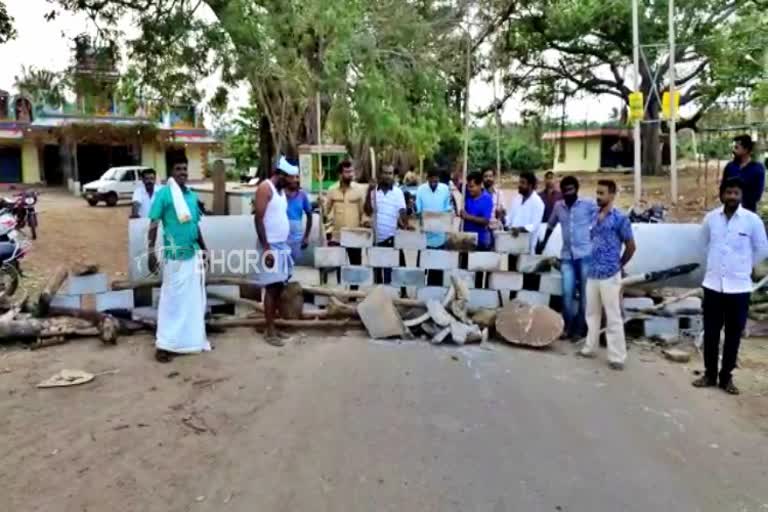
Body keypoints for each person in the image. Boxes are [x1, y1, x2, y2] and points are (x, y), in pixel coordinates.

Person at [693, 178, 768, 394]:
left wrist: (744, 266)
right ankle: (709, 374)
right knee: (711, 333)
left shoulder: (751, 220)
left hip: (739, 288)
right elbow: (702, 244)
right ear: (722, 194)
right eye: (729, 193)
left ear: (741, 195)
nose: (732, 197)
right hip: (713, 285)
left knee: (733, 335)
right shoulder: (711, 219)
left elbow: (762, 248)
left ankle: (726, 378)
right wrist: (714, 264)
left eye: (736, 193)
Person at [147, 155, 209, 363]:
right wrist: (150, 252)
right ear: (171, 172)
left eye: (185, 168)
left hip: (192, 255)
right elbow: (154, 224)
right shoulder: (164, 195)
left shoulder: (191, 196)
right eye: (178, 169)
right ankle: (164, 345)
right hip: (174, 257)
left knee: (191, 301)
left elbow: (195, 226)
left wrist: (204, 248)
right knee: (171, 301)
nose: (183, 172)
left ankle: (190, 341)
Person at [579, 179, 636, 370]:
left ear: (612, 195)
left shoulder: (620, 218)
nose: (598, 197)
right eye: (597, 193)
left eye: (602, 193)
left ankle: (617, 356)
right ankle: (590, 347)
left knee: (613, 315)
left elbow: (631, 246)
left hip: (610, 273)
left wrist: (619, 265)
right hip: (593, 272)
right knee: (592, 313)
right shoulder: (594, 216)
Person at [538, 176, 597, 340]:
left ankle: (579, 329)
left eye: (570, 190)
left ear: (576, 189)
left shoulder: (588, 205)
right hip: (567, 257)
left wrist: (594, 240)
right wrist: (543, 243)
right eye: (565, 191)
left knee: (585, 295)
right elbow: (550, 225)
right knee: (567, 293)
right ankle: (566, 327)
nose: (568, 193)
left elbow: (600, 220)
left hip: (585, 255)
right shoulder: (558, 206)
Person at [252, 156, 298, 347]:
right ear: (282, 174)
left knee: (278, 287)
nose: (295, 181)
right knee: (271, 288)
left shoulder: (280, 192)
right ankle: (269, 331)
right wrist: (267, 248)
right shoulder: (265, 188)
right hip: (270, 246)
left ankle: (273, 327)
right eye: (292, 177)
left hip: (281, 245)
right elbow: (258, 219)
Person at [364, 165, 407, 282]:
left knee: (392, 271)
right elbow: (368, 211)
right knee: (377, 274)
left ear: (393, 175)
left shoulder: (398, 193)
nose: (388, 176)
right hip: (376, 239)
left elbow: (403, 213)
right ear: (380, 175)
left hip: (391, 238)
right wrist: (369, 191)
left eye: (390, 173)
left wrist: (405, 223)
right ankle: (379, 297)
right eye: (385, 173)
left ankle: (397, 295)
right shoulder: (373, 192)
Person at [325, 160, 366, 264]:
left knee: (355, 267)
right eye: (347, 172)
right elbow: (326, 211)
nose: (350, 174)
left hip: (354, 236)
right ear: (340, 174)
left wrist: (365, 226)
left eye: (351, 171)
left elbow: (364, 213)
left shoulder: (359, 190)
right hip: (337, 236)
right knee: (338, 265)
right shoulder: (332, 190)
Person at [721, 135, 765, 212]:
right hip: (729, 210)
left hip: (748, 211)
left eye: (737, 147)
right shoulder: (730, 167)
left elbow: (757, 193)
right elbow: (722, 188)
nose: (734, 150)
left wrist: (740, 204)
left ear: (746, 150)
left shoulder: (758, 169)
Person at [505, 172, 545, 253]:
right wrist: (503, 218)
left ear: (530, 185)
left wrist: (519, 229)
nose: (519, 185)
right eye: (519, 182)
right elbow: (509, 218)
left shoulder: (538, 202)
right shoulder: (517, 198)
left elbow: (534, 225)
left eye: (522, 183)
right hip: (512, 243)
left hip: (527, 247)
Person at [415, 168, 453, 249]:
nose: (433, 183)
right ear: (427, 178)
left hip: (440, 234)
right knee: (423, 260)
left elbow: (447, 208)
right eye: (431, 180)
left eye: (436, 181)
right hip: (424, 234)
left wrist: (449, 214)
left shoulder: (445, 189)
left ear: (439, 178)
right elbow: (418, 210)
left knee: (439, 259)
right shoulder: (420, 189)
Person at [461, 172, 494, 250]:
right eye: (468, 187)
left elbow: (485, 221)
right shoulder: (467, 194)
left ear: (480, 185)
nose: (469, 189)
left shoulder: (487, 199)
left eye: (472, 187)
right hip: (466, 239)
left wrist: (468, 217)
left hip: (480, 242)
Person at [285, 175, 313, 263]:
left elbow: (309, 215)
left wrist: (306, 237)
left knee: (292, 264)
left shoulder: (302, 195)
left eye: (297, 177)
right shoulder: (280, 194)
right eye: (292, 177)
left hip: (296, 237)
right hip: (282, 236)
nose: (295, 180)